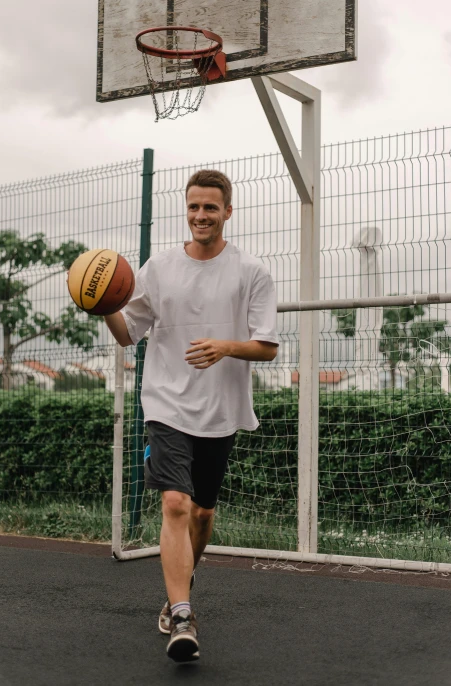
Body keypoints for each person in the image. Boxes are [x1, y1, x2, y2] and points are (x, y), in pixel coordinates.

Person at [104, 169, 278, 663]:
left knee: (201, 513)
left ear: (228, 211)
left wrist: (225, 346)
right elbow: (126, 333)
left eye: (210, 208)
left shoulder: (252, 272)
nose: (201, 216)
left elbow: (266, 346)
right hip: (167, 404)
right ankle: (182, 614)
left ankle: (181, 576)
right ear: (186, 209)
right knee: (175, 505)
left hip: (221, 409)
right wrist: (100, 304)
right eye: (194, 207)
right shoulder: (158, 267)